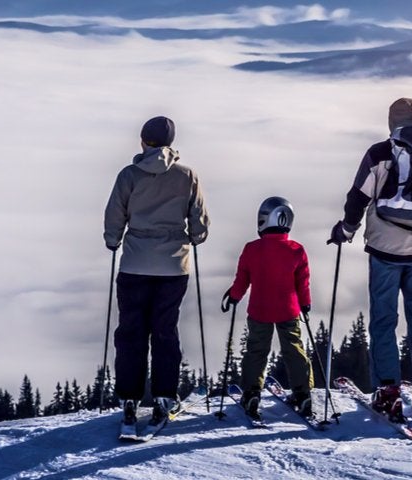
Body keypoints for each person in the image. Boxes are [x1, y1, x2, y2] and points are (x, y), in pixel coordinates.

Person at [328, 98, 412, 424]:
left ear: (392, 122)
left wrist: (346, 230)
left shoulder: (379, 154)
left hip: (384, 251)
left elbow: (357, 199)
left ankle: (387, 392)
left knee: (383, 319)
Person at [103, 116, 209, 428]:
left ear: (143, 141)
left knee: (131, 331)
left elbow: (114, 214)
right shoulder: (187, 175)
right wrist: (194, 238)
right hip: (174, 267)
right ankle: (164, 396)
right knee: (165, 331)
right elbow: (199, 221)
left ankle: (129, 398)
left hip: (135, 264)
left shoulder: (129, 175)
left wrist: (113, 241)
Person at [221, 197, 315, 421]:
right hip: (288, 309)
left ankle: (252, 393)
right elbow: (303, 282)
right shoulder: (296, 250)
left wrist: (233, 297)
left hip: (260, 310)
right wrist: (305, 304)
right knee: (294, 349)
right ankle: (303, 394)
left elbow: (242, 279)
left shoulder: (252, 249)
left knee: (256, 351)